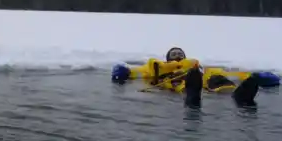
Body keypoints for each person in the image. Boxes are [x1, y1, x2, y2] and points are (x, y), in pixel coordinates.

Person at [111, 46, 260, 108]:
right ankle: (192, 96)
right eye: (174, 54)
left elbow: (226, 71)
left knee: (216, 79)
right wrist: (123, 71)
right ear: (168, 58)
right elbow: (136, 72)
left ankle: (239, 96)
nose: (177, 55)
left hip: (201, 81)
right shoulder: (157, 67)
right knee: (186, 85)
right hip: (176, 83)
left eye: (179, 53)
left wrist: (249, 76)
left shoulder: (194, 66)